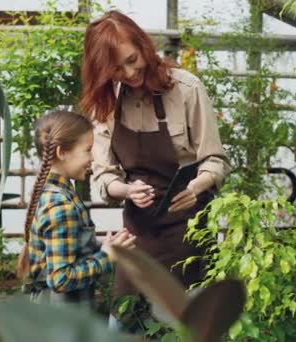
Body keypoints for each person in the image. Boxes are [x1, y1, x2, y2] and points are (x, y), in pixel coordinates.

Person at [80, 11, 231, 326]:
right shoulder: (107, 101)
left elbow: (215, 160)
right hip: (138, 232)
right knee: (122, 325)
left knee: (190, 326)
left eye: (132, 59)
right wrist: (127, 190)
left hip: (188, 230)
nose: (129, 72)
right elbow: (104, 174)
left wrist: (196, 187)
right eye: (116, 69)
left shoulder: (186, 88)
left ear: (143, 45)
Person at [16, 110, 137, 308]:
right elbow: (60, 279)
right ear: (62, 152)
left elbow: (68, 250)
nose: (92, 158)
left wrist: (102, 248)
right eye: (88, 150)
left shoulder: (57, 192)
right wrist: (106, 257)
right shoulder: (60, 205)